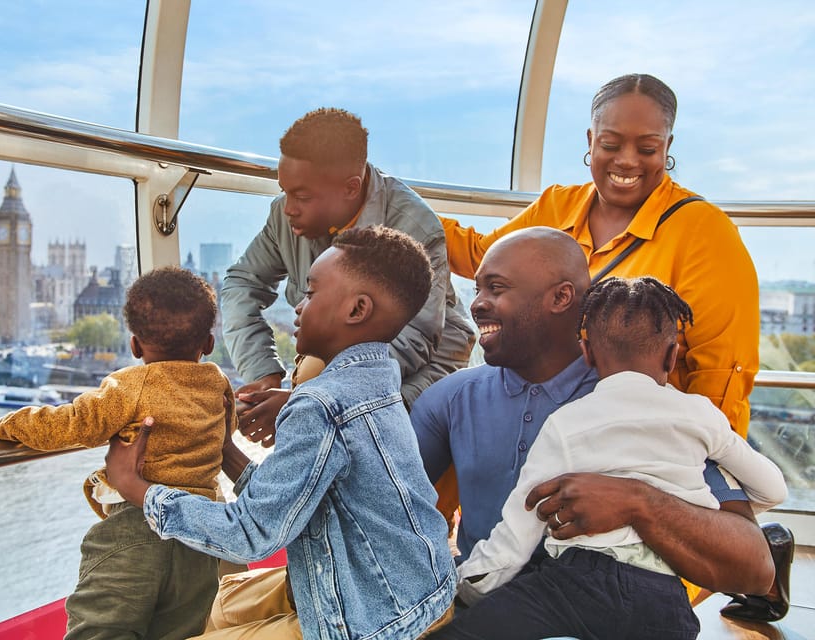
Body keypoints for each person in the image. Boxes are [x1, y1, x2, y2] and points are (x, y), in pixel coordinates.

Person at [435, 73, 793, 619]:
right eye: (611, 144)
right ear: (589, 141)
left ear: (668, 148)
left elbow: (721, 376)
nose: (627, 160)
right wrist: (384, 208)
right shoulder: (558, 206)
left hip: (637, 441)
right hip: (560, 419)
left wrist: (707, 491)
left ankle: (761, 565)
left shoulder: (705, 234)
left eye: (647, 148)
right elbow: (489, 255)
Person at [106, 226, 457, 640]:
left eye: (309, 293)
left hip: (378, 623)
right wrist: (225, 451)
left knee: (198, 616)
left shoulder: (320, 405)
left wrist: (136, 487)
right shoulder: (377, 379)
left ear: (357, 309)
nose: (297, 306)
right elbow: (290, 497)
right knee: (218, 604)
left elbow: (250, 535)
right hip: (421, 592)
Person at [412, 228, 776, 612]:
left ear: (561, 297)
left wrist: (638, 502)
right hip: (489, 614)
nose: (477, 304)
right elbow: (383, 514)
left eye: (496, 289)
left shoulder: (653, 408)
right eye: (478, 289)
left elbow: (754, 568)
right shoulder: (449, 400)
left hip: (610, 618)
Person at [0, 266, 235, 640]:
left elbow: (72, 424)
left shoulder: (129, 386)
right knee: (180, 631)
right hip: (198, 535)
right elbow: (228, 431)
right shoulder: (217, 382)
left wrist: (6, 426)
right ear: (209, 343)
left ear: (134, 345)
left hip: (135, 527)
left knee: (100, 629)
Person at [220, 107, 474, 445]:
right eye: (284, 191)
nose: (287, 208)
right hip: (327, 370)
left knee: (361, 434)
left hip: (420, 366)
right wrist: (263, 374)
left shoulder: (415, 225)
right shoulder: (285, 216)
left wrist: (308, 400)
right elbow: (242, 284)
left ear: (351, 188)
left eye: (302, 195)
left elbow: (415, 341)